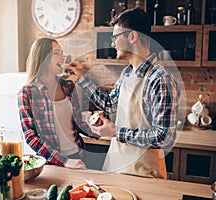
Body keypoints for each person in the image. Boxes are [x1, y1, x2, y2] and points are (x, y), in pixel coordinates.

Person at [68, 8, 179, 178]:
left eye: (116, 37)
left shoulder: (160, 78)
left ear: (132, 36)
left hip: (144, 174)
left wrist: (115, 132)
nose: (113, 43)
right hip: (117, 167)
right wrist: (82, 77)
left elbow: (164, 137)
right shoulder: (128, 72)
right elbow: (110, 104)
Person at [17, 38, 99, 169]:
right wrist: (64, 161)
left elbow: (78, 122)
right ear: (42, 57)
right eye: (57, 53)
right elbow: (31, 137)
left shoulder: (67, 86)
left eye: (62, 53)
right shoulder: (27, 93)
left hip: (78, 155)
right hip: (52, 163)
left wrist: (101, 132)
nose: (62, 58)